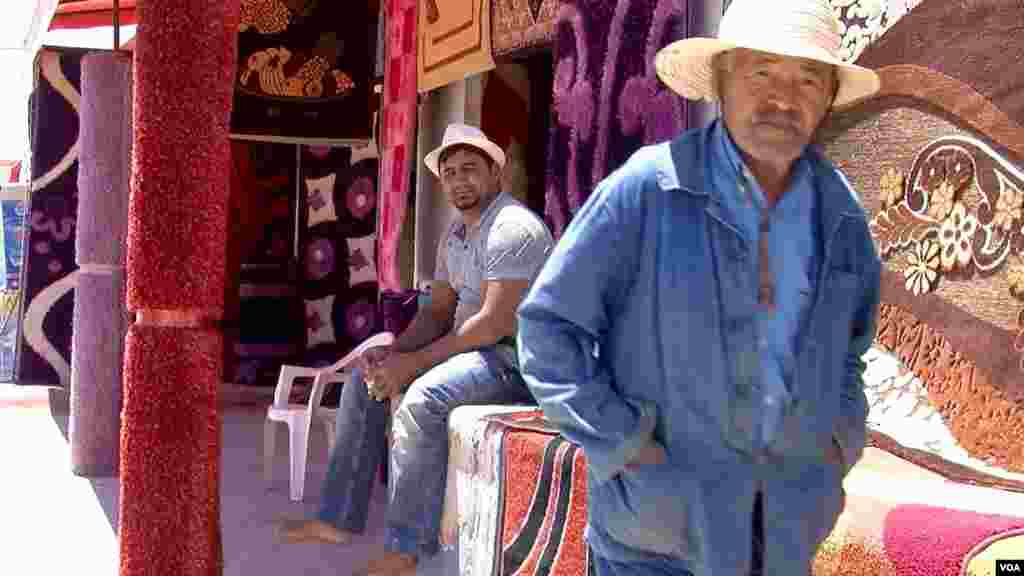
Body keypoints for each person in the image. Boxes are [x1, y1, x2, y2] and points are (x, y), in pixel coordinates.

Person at [515, 0, 883, 574]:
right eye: (761, 71)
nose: (784, 99)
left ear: (829, 98)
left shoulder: (841, 215)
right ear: (720, 79)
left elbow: (850, 356)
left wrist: (837, 443)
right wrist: (626, 444)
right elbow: (547, 329)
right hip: (656, 544)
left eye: (808, 79)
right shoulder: (648, 189)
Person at [280, 123, 554, 576]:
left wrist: (413, 365)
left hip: (518, 362)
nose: (459, 180)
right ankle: (337, 520)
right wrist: (394, 353)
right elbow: (437, 312)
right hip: (476, 353)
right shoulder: (458, 234)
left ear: (495, 175)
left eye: (470, 169)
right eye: (450, 173)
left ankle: (406, 550)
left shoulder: (513, 228)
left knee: (422, 398)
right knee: (363, 383)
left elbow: (493, 324)